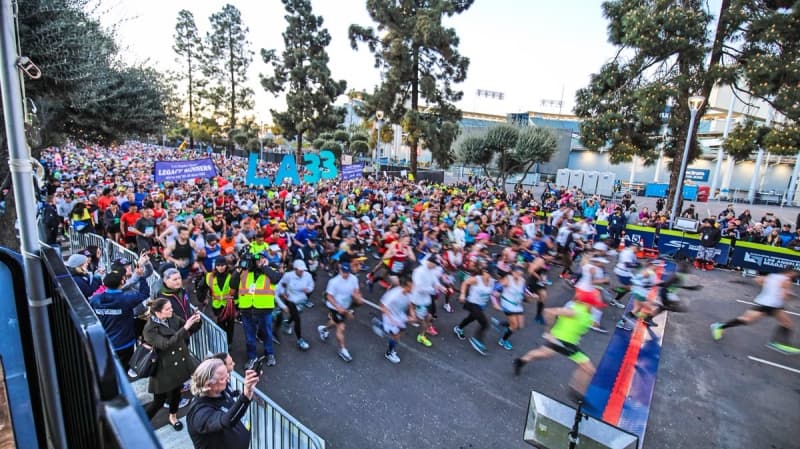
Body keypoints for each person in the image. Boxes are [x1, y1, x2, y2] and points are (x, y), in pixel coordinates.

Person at [513, 288, 606, 400]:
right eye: (593, 303)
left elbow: (589, 322)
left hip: (562, 341)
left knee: (544, 353)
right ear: (587, 303)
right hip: (564, 342)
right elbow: (549, 312)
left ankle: (521, 361)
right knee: (588, 369)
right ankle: (577, 392)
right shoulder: (575, 311)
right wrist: (548, 330)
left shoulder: (588, 312)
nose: (595, 305)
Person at [143, 297, 202, 430]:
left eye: (171, 307)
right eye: (168, 309)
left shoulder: (172, 318)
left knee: (176, 393)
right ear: (158, 312)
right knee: (158, 401)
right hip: (163, 369)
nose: (171, 310)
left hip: (180, 362)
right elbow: (166, 345)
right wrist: (185, 327)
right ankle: (144, 422)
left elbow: (189, 330)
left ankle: (173, 416)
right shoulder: (150, 329)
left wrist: (196, 321)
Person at [710, 269, 800, 354]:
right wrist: (791, 295)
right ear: (790, 272)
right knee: (746, 320)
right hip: (769, 305)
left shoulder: (772, 276)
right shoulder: (787, 281)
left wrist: (769, 290)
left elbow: (758, 280)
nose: (796, 276)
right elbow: (783, 296)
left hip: (768, 304)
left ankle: (778, 343)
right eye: (795, 274)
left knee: (786, 323)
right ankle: (719, 326)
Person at [187, 358, 259, 449]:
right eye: (222, 378)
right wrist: (244, 397)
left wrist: (248, 393)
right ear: (208, 385)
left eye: (227, 374)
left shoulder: (221, 390)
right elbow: (226, 421)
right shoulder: (199, 413)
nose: (228, 378)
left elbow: (235, 412)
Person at [89, 267, 150, 372]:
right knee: (123, 370)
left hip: (106, 341)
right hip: (125, 343)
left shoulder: (95, 299)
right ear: (122, 282)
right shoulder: (126, 299)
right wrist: (141, 277)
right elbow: (144, 294)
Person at [234, 253, 282, 367]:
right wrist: (238, 269)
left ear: (266, 259)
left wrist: (264, 266)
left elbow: (276, 279)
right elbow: (233, 284)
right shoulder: (245, 271)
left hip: (264, 310)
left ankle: (269, 353)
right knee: (249, 336)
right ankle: (252, 357)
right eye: (256, 259)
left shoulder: (272, 269)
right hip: (247, 309)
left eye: (261, 258)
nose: (258, 261)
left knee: (267, 333)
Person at [318, 262, 363, 362]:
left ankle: (324, 329)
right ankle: (342, 350)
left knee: (335, 322)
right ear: (340, 270)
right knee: (341, 327)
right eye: (344, 272)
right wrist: (338, 307)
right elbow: (329, 296)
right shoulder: (334, 282)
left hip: (346, 306)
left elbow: (356, 291)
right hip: (335, 307)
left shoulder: (353, 279)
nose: (346, 274)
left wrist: (358, 297)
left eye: (347, 272)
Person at [454, 264, 498, 355]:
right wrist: (462, 294)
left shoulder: (492, 281)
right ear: (484, 272)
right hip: (472, 303)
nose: (491, 276)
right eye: (490, 274)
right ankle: (476, 340)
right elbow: (465, 283)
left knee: (471, 318)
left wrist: (495, 300)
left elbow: (494, 292)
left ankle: (459, 328)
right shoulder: (477, 279)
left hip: (481, 305)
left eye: (492, 275)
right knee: (485, 324)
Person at [276, 259, 315, 351]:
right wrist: (283, 293)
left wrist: (308, 289)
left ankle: (287, 323)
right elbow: (280, 285)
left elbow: (311, 286)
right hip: (290, 300)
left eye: (303, 270)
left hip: (301, 299)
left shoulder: (308, 275)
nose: (302, 272)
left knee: (295, 315)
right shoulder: (288, 276)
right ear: (295, 269)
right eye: (300, 270)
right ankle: (300, 340)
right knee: (297, 318)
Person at [375, 276, 415, 364]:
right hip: (390, 315)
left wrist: (412, 315)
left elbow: (410, 304)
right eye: (411, 286)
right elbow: (382, 306)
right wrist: (392, 320)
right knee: (396, 335)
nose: (413, 288)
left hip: (399, 314)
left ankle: (380, 325)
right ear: (405, 287)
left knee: (401, 331)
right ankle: (389, 353)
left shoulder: (409, 292)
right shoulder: (394, 295)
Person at [492, 265, 530, 350]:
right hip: (507, 303)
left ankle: (501, 324)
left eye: (520, 274)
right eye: (517, 273)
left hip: (517, 304)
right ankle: (503, 340)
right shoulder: (507, 279)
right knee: (514, 325)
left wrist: (529, 295)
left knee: (520, 326)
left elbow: (524, 290)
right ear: (512, 272)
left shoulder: (522, 280)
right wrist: (495, 303)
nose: (519, 276)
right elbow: (494, 290)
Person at [205, 257, 236, 345]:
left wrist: (221, 297)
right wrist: (206, 296)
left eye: (222, 265)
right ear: (215, 266)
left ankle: (229, 343)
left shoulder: (231, 276)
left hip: (229, 305)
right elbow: (203, 287)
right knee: (220, 326)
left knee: (230, 326)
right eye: (218, 265)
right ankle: (222, 343)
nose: (220, 267)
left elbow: (234, 292)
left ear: (226, 266)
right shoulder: (209, 276)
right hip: (217, 306)